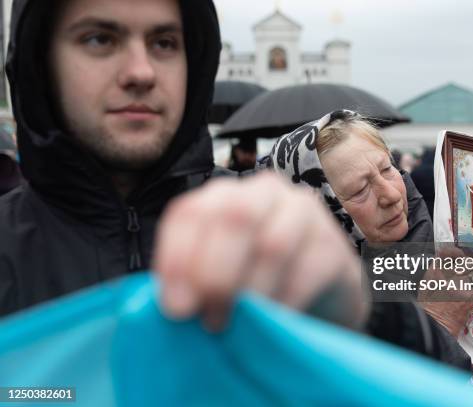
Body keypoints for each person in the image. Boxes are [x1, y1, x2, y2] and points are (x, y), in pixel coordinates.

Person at [0, 0, 369, 336]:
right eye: (99, 39)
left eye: (164, 43)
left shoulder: (264, 225)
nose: (141, 72)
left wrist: (367, 315)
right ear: (40, 62)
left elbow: (419, 377)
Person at [263, 110, 473, 368]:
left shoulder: (446, 250)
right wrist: (439, 325)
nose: (390, 195)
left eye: (386, 169)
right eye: (359, 191)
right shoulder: (312, 316)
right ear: (322, 211)